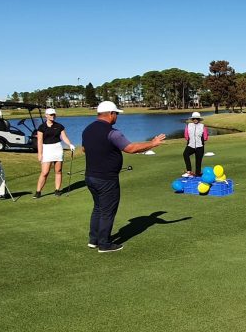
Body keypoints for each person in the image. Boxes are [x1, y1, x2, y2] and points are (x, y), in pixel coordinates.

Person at [82, 101, 166, 253]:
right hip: (106, 178)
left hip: (90, 176)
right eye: (116, 114)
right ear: (110, 114)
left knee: (98, 208)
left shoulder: (87, 130)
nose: (117, 117)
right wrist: (153, 143)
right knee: (107, 210)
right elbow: (131, 148)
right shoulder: (112, 132)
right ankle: (104, 244)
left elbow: (84, 149)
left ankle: (93, 240)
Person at [34, 108, 75, 198]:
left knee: (58, 171)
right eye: (51, 114)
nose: (53, 116)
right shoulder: (41, 127)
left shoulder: (59, 126)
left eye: (54, 114)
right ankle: (38, 191)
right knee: (45, 172)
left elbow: (64, 137)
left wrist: (69, 144)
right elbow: (39, 141)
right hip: (47, 149)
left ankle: (57, 190)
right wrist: (40, 154)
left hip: (57, 148)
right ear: (46, 116)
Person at [182, 111, 209, 177]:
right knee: (185, 154)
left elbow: (205, 137)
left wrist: (201, 140)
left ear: (199, 119)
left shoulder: (203, 126)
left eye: (197, 118)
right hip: (191, 145)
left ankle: (198, 174)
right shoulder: (188, 125)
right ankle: (189, 171)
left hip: (200, 146)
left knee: (198, 161)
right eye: (194, 118)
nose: (195, 120)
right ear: (192, 119)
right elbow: (186, 135)